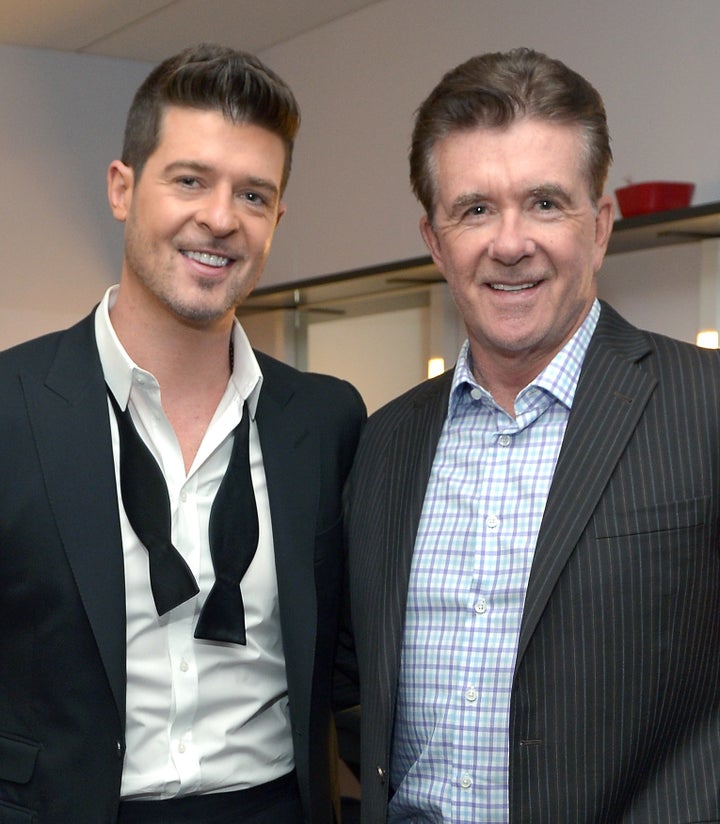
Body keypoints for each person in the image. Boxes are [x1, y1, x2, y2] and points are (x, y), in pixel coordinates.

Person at [344, 47, 720, 823]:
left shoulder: (705, 408)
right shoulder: (383, 445)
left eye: (545, 203)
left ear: (602, 224)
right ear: (435, 239)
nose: (510, 242)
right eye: (474, 208)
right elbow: (356, 683)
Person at [0, 44, 365, 824]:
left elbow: (351, 672)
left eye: (254, 195)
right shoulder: (10, 404)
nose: (221, 218)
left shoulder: (328, 420)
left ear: (276, 220)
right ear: (122, 189)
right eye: (191, 180)